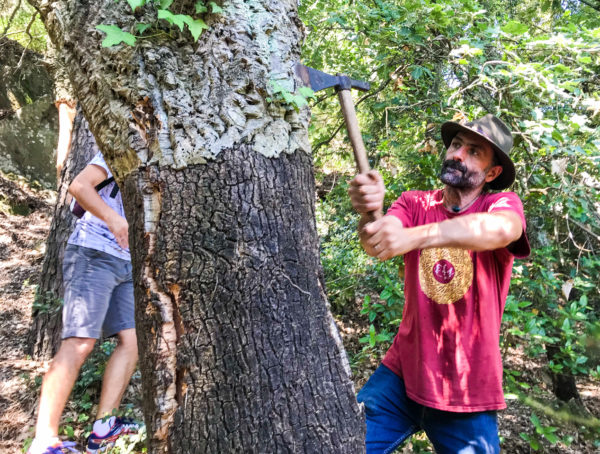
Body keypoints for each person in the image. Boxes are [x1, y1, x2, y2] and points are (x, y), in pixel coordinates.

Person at [349, 114, 530, 453]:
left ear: (492, 173)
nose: (458, 154)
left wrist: (416, 236)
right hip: (402, 375)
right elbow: (376, 244)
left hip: (466, 391)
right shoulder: (415, 202)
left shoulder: (499, 205)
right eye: (456, 144)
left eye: (474, 151)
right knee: (342, 442)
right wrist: (368, 212)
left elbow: (504, 230)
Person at [28, 150, 141, 454]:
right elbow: (79, 186)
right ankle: (43, 441)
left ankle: (104, 429)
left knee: (132, 342)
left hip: (129, 261)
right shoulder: (121, 144)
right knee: (80, 342)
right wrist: (114, 219)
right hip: (93, 253)